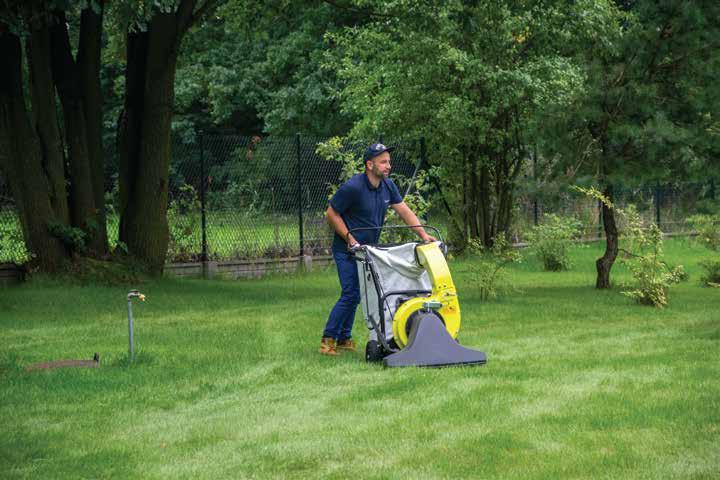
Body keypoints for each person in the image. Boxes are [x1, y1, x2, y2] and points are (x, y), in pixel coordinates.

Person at [320, 143, 436, 356]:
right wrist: (350, 238)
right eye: (383, 162)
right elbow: (331, 214)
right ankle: (328, 339)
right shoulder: (353, 187)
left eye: (389, 162)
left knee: (358, 295)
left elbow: (404, 211)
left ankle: (344, 338)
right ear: (369, 164)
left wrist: (423, 235)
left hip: (368, 251)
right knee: (351, 293)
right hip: (346, 249)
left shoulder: (388, 186)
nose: (388, 166)